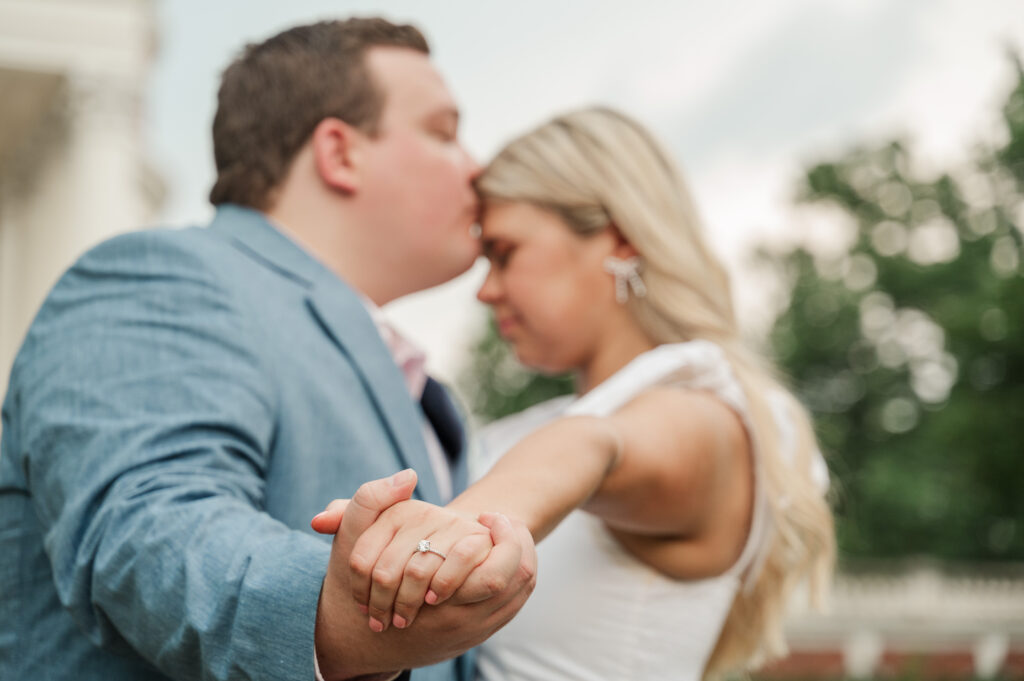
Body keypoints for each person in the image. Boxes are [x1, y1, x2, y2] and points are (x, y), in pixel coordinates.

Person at [0, 18, 536, 681]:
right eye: (443, 132)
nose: (477, 169)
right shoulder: (160, 276)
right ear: (340, 153)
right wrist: (343, 611)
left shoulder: (424, 387)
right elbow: (151, 529)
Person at [313, 107, 835, 680]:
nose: (486, 290)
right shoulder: (546, 419)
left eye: (505, 253)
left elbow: (593, 444)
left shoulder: (706, 412)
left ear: (620, 240)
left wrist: (453, 531)